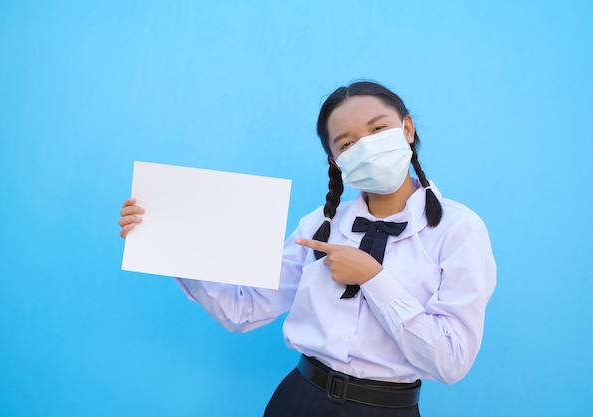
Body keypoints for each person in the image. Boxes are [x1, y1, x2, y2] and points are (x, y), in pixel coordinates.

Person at [118, 81, 496, 416]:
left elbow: (452, 361)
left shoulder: (459, 230)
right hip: (299, 400)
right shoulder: (318, 226)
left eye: (378, 129)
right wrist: (168, 240)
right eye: (347, 142)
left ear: (406, 129)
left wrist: (373, 278)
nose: (365, 146)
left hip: (386, 410)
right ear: (337, 161)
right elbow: (242, 310)